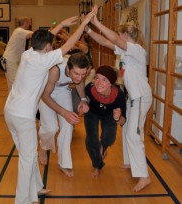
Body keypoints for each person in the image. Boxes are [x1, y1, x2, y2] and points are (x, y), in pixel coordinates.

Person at [4, 8, 97, 204]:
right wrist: (84, 23)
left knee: (27, 153)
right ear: (47, 48)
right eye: (51, 45)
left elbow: (47, 39)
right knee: (27, 159)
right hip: (22, 116)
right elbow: (70, 44)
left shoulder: (29, 54)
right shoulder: (44, 59)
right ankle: (22, 202)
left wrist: (61, 25)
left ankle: (36, 187)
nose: (52, 47)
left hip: (10, 112)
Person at [87, 5, 152, 192]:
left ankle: (144, 176)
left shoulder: (137, 50)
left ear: (126, 36)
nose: (118, 37)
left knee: (134, 135)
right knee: (126, 130)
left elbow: (113, 39)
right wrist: (89, 29)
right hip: (134, 98)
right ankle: (131, 162)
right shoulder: (126, 52)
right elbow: (106, 42)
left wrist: (97, 21)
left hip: (141, 97)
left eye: (120, 35)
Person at [38, 52, 91, 177]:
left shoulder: (82, 70)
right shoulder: (55, 70)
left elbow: (79, 83)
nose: (79, 77)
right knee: (51, 128)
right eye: (76, 74)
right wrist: (64, 112)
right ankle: (43, 148)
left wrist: (83, 99)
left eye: (83, 74)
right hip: (45, 93)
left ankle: (64, 163)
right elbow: (45, 96)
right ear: (68, 68)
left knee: (68, 126)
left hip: (63, 91)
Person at [78, 65, 126, 178]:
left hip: (109, 115)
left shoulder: (119, 95)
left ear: (111, 83)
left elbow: (123, 122)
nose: (99, 82)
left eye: (104, 80)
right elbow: (82, 102)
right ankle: (97, 165)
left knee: (109, 137)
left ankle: (103, 147)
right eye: (97, 78)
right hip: (92, 113)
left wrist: (118, 117)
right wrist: (82, 106)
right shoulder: (89, 89)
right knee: (91, 140)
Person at [1, 16, 33, 91]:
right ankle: (13, 102)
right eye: (29, 22)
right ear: (25, 22)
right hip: (10, 60)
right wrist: (48, 32)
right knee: (15, 84)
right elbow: (35, 34)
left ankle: (14, 101)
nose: (30, 24)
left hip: (14, 61)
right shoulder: (19, 31)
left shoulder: (21, 32)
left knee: (17, 83)